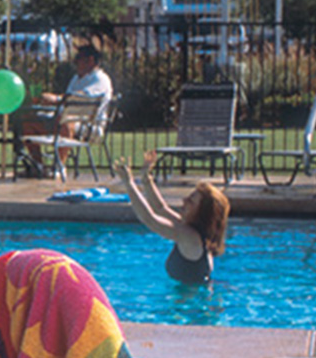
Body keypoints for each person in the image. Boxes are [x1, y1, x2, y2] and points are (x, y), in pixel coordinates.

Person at [116, 152, 229, 285]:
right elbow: (160, 208)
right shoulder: (191, 230)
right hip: (192, 301)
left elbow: (149, 219)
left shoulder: (189, 237)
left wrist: (129, 183)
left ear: (202, 214)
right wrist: (146, 178)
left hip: (191, 304)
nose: (184, 200)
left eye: (191, 202)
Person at [16, 44, 114, 172]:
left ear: (90, 60)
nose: (75, 62)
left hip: (88, 125)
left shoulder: (100, 79)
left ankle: (59, 166)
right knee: (29, 121)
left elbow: (79, 99)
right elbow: (66, 101)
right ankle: (38, 165)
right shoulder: (76, 78)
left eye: (78, 58)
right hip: (61, 119)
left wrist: (55, 99)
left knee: (67, 121)